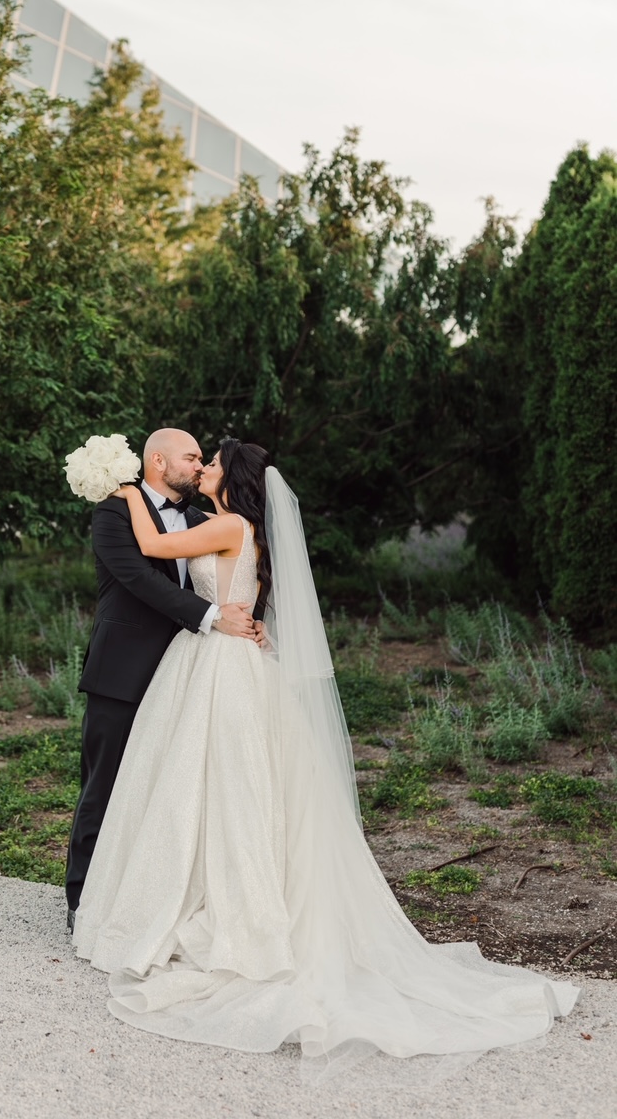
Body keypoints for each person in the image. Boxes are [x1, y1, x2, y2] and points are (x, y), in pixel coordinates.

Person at [72, 438, 578, 1075]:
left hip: (219, 669)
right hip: (223, 660)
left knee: (214, 785)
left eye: (214, 461)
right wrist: (240, 613)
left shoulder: (224, 522)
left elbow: (153, 549)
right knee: (215, 785)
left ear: (233, 477)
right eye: (197, 458)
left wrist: (122, 492)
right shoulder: (233, 524)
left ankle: (207, 908)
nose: (204, 467)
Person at [64, 428, 257, 934]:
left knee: (165, 791)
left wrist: (251, 620)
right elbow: (138, 578)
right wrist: (215, 615)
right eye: (192, 457)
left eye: (202, 459)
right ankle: (82, 899)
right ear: (157, 461)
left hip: (187, 677)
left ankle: (144, 898)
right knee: (103, 786)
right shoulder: (111, 511)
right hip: (123, 670)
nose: (199, 466)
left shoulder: (202, 519)